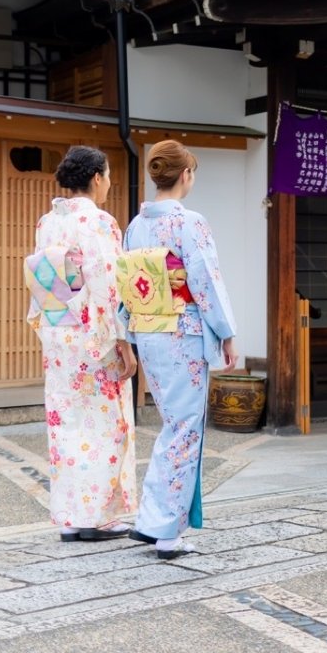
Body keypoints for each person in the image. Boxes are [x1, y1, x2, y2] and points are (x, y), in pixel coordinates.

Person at [119, 140, 237, 560]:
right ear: (185, 175)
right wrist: (225, 331)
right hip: (183, 331)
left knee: (173, 424)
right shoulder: (190, 222)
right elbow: (205, 280)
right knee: (185, 428)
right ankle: (166, 529)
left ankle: (152, 517)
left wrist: (127, 331)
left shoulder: (136, 226)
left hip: (149, 330)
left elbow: (128, 284)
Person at [25, 145, 137, 541]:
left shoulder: (47, 222)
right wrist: (122, 340)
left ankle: (71, 518)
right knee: (106, 424)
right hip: (93, 336)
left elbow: (42, 278)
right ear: (95, 178)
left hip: (58, 332)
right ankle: (98, 517)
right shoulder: (100, 222)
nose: (108, 184)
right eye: (107, 176)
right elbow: (110, 284)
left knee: (66, 424)